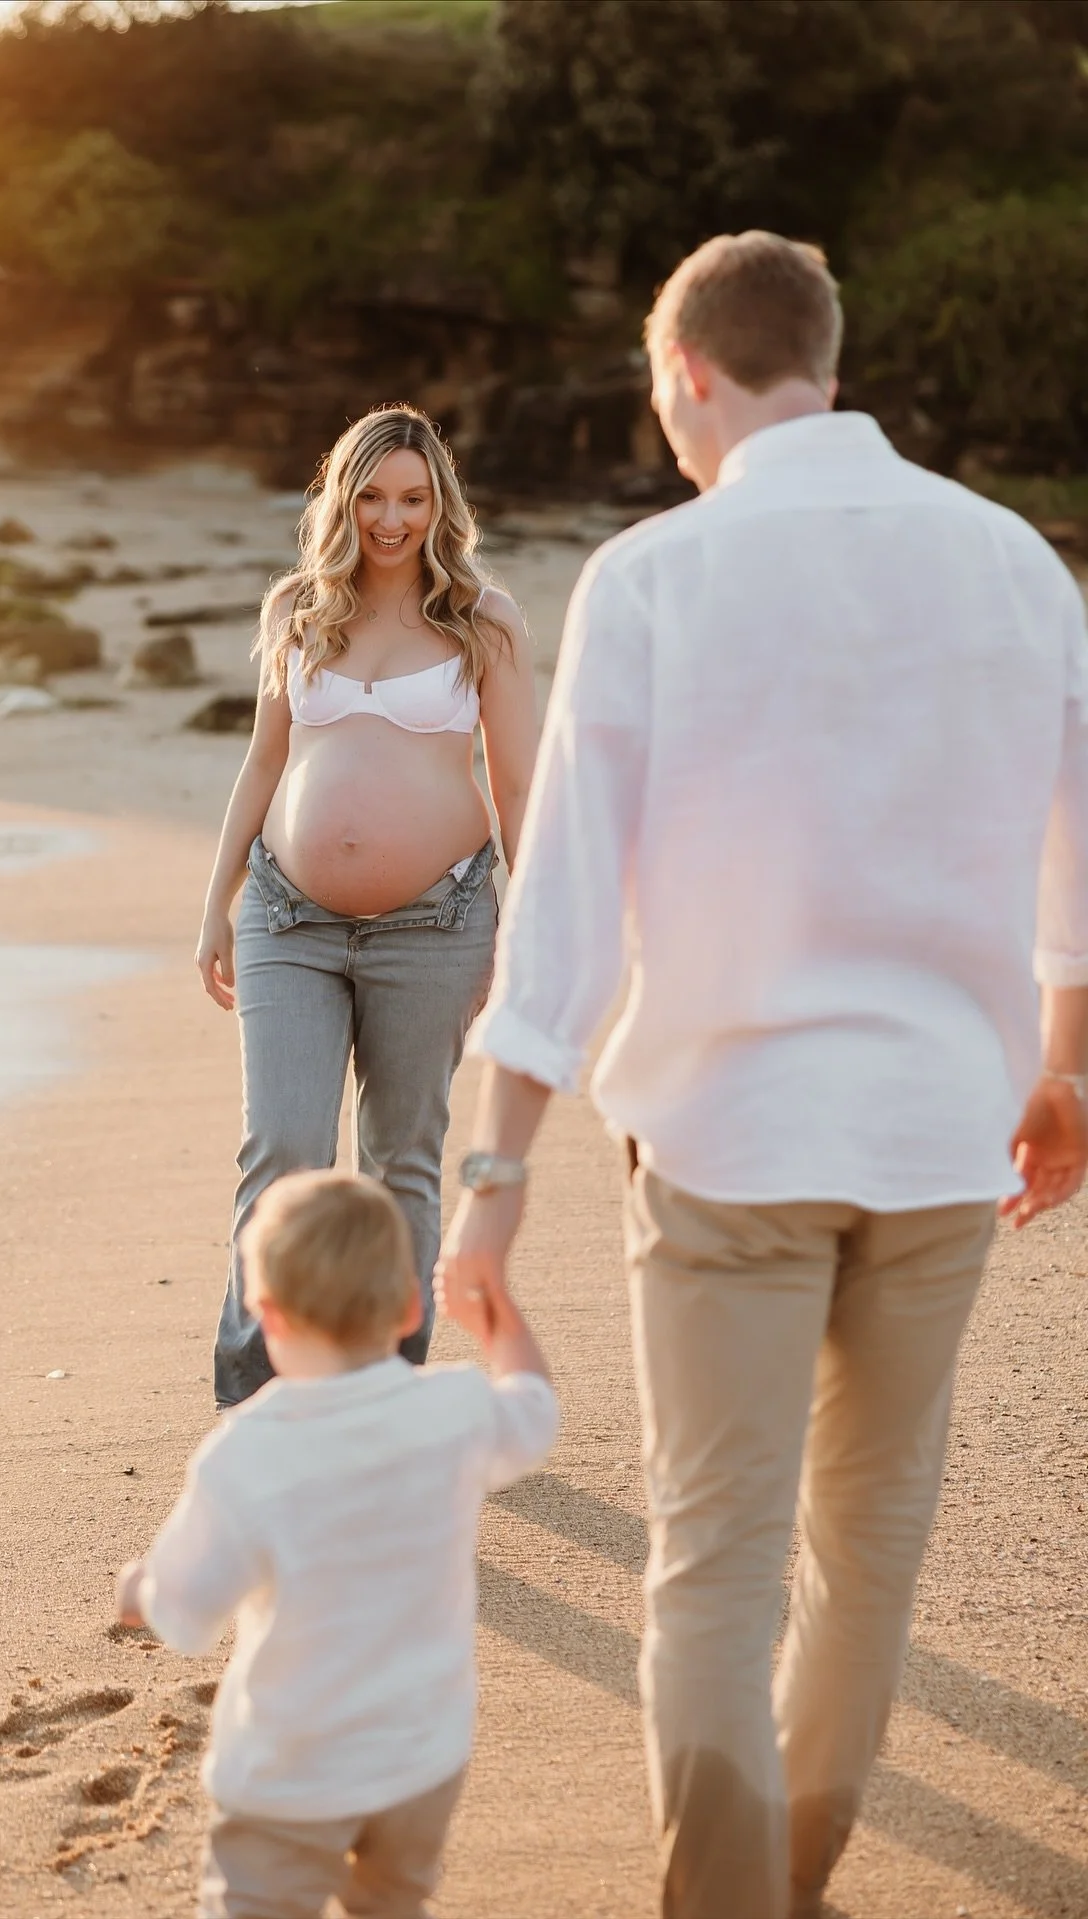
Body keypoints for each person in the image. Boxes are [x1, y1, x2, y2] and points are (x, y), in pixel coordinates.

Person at [436, 230, 1088, 1919]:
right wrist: (1066, 1067)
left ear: (687, 378)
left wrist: (490, 1182)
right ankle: (792, 1879)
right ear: (829, 359)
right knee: (868, 1551)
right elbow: (1075, 857)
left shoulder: (653, 578)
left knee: (712, 1557)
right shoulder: (1018, 561)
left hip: (725, 1136)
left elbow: (566, 916)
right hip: (951, 1131)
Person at [197, 404, 538, 1409]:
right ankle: (256, 1399)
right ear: (342, 499)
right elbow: (265, 759)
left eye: (413, 498)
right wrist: (216, 898)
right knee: (285, 1151)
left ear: (442, 504)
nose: (391, 519)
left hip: (436, 923)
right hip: (286, 918)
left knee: (402, 1160)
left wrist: (529, 925)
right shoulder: (299, 608)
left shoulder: (484, 619)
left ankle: (383, 1400)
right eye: (372, 496)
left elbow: (519, 786)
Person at [115, 1169, 558, 1919]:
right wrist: (498, 1317)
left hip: (292, 1772)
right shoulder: (455, 1409)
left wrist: (137, 1589)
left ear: (267, 1315)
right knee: (391, 1902)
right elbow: (535, 1407)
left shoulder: (245, 1454)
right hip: (422, 1757)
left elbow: (184, 1611)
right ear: (411, 1305)